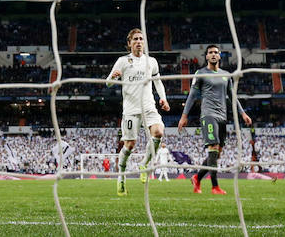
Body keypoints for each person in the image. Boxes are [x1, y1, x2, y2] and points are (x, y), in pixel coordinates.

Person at [178, 45, 253, 195]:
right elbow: (192, 95)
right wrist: (184, 116)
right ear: (206, 56)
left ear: (220, 56)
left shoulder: (226, 75)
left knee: (216, 154)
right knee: (212, 148)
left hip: (222, 117)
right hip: (208, 115)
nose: (213, 55)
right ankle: (215, 187)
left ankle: (197, 178)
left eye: (216, 53)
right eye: (210, 52)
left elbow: (232, 96)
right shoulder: (200, 73)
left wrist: (243, 113)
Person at [106, 28, 170, 196]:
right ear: (129, 43)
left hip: (149, 106)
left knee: (159, 132)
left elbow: (158, 82)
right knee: (129, 145)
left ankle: (144, 164)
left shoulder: (152, 61)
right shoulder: (122, 61)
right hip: (131, 110)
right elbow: (108, 84)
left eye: (141, 39)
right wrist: (113, 77)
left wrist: (163, 98)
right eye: (135, 39)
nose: (139, 41)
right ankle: (121, 177)